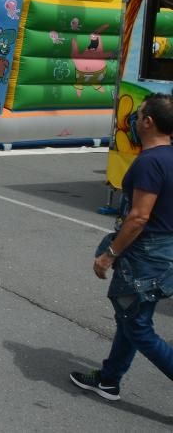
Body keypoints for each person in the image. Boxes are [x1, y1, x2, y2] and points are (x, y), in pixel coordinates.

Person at [69, 94, 173, 402]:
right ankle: (110, 380)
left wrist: (109, 255)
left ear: (148, 122)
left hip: (145, 255)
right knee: (130, 317)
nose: (134, 120)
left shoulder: (150, 162)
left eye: (138, 115)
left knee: (138, 325)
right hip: (163, 251)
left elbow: (138, 217)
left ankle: (110, 378)